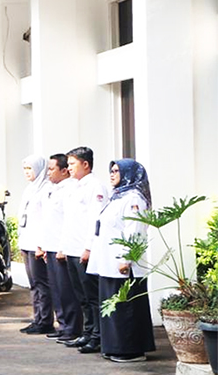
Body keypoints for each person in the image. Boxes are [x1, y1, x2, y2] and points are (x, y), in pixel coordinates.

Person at [88, 159, 156, 363]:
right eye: (111, 170)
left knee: (126, 309)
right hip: (108, 263)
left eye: (117, 170)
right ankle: (115, 347)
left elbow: (134, 230)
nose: (112, 174)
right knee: (114, 308)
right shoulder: (117, 197)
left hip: (124, 265)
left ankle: (130, 350)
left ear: (128, 173)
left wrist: (126, 258)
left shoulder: (134, 199)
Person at [60, 146, 110, 353]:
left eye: (72, 164)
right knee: (81, 296)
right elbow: (69, 220)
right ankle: (87, 333)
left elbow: (96, 220)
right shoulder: (74, 186)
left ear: (85, 164)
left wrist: (89, 247)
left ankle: (97, 337)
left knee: (92, 296)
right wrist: (64, 246)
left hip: (85, 249)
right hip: (72, 248)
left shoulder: (95, 187)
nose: (69, 168)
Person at [38, 154, 82, 341]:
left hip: (61, 247)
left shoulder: (69, 189)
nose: (48, 173)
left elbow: (68, 221)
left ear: (64, 171)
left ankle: (72, 328)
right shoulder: (54, 189)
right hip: (51, 246)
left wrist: (62, 247)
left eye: (52, 169)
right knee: (56, 289)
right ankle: (63, 325)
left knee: (66, 291)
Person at [17, 155, 55, 335]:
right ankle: (37, 318)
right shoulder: (30, 189)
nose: (27, 173)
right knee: (33, 284)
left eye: (30, 169)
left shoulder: (46, 189)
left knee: (42, 283)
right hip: (27, 241)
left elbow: (47, 219)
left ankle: (46, 320)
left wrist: (42, 244)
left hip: (37, 244)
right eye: (25, 169)